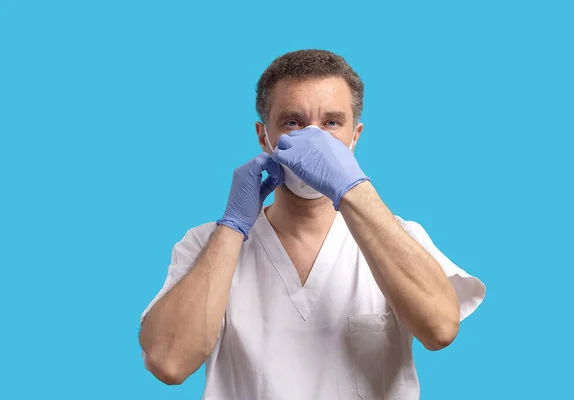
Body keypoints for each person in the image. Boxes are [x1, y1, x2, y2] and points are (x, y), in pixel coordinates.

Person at [138, 49, 486, 399]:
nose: (313, 141)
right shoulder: (205, 245)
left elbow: (440, 328)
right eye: (293, 122)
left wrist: (353, 188)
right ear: (264, 137)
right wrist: (232, 227)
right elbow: (168, 362)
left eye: (332, 124)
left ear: (355, 136)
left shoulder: (399, 237)